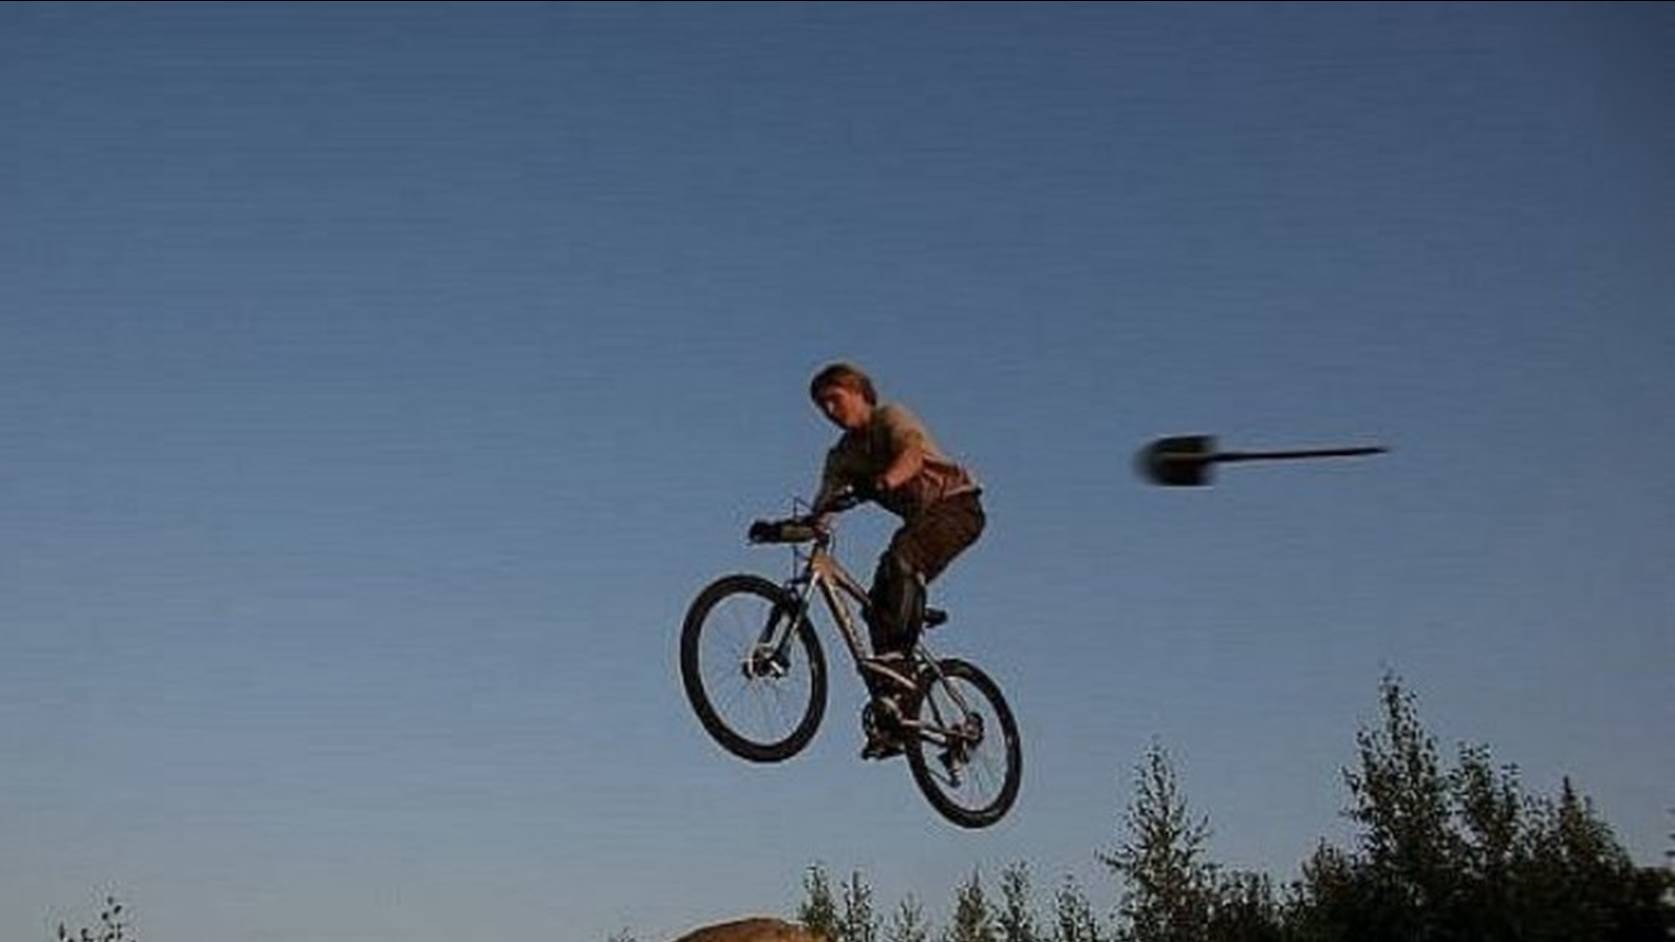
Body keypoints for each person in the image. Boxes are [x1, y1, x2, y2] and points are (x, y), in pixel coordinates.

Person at [807, 362, 986, 758]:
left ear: (860, 393)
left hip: (957, 507)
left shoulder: (890, 417)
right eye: (822, 407)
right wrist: (794, 527)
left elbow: (912, 456)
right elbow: (824, 502)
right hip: (923, 521)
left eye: (835, 400)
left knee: (902, 558)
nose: (830, 412)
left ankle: (899, 661)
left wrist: (884, 481)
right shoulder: (842, 455)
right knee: (876, 607)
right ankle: (897, 716)